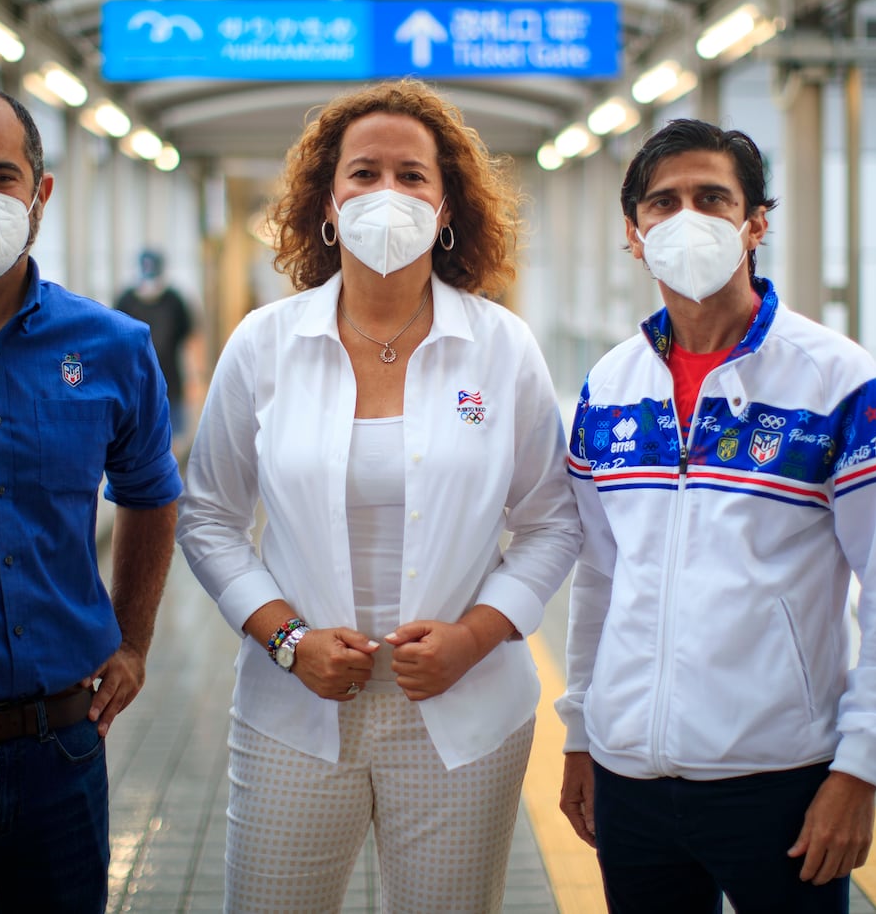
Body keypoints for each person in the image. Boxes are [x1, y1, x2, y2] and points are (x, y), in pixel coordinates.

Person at [176, 77, 582, 913]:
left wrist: (475, 636)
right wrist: (288, 639)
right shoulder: (268, 344)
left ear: (446, 207)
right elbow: (209, 517)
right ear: (327, 203)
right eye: (363, 174)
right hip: (294, 707)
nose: (386, 194)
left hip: (464, 714)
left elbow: (552, 521)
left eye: (412, 176)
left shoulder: (501, 348)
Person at [557, 118, 876, 913]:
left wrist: (861, 769)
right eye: (662, 203)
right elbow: (599, 574)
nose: (687, 219)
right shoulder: (609, 384)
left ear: (755, 222)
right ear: (634, 235)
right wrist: (579, 735)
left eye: (712, 198)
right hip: (629, 775)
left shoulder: (836, 381)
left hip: (781, 779)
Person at [0, 84, 182, 913]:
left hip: (61, 746)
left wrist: (132, 642)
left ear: (41, 192)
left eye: (0, 174)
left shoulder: (113, 347)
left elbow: (151, 493)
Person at [115, 248, 197, 438]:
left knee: (173, 437)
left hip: (171, 381)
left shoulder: (174, 300)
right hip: (135, 382)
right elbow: (115, 345)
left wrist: (194, 378)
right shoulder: (126, 301)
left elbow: (191, 340)